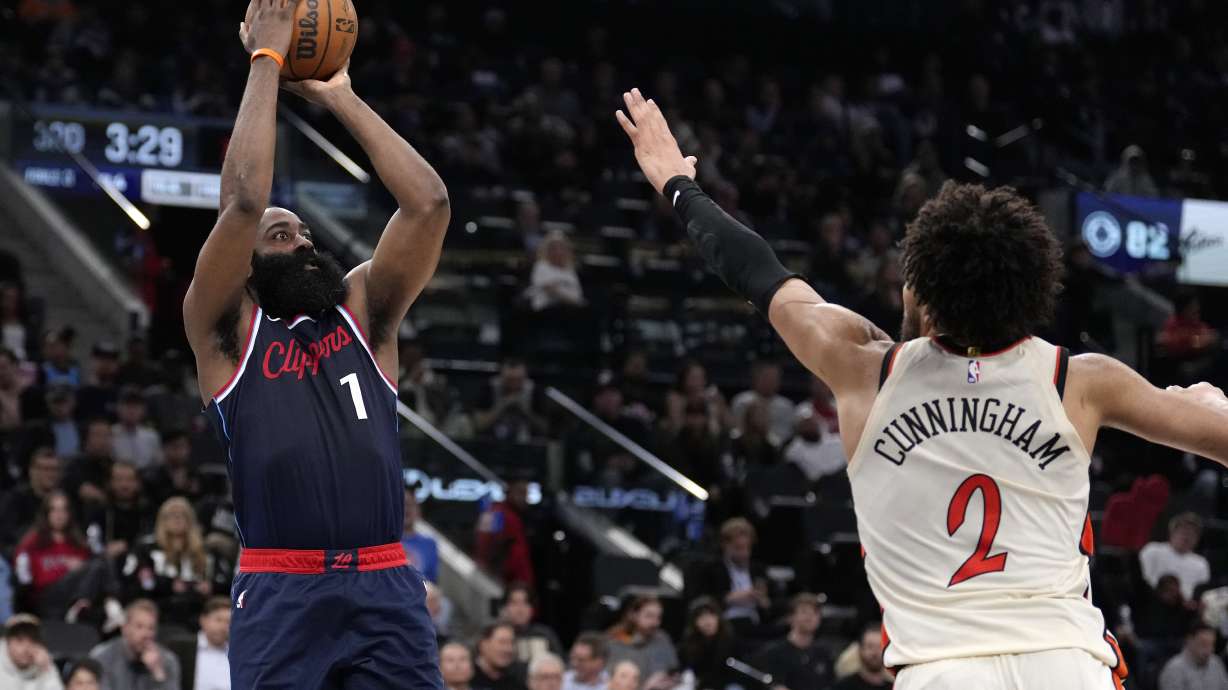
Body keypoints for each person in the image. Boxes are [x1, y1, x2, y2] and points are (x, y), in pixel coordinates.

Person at [616, 88, 1228, 688]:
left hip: (942, 670)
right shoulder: (1080, 380)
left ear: (924, 297)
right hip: (1065, 664)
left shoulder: (863, 369)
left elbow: (758, 272)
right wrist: (1208, 406)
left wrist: (679, 185)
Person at [181, 2, 450, 687]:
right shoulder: (226, 329)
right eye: (282, 236)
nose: (302, 242)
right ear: (247, 264)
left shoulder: (363, 313)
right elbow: (243, 204)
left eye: (305, 233)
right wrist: (266, 61)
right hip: (281, 589)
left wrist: (340, 96)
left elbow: (429, 204)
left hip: (384, 582)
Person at [14, 490, 119, 627]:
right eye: (54, 510)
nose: (59, 515)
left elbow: (92, 574)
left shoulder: (78, 543)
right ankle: (103, 604)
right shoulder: (32, 542)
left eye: (63, 510)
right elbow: (24, 578)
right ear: (46, 514)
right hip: (47, 598)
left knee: (103, 561)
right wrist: (69, 570)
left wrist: (80, 568)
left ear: (69, 514)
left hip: (72, 595)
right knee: (97, 564)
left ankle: (106, 603)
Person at [121, 497, 214, 627]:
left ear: (191, 521)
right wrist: (169, 585)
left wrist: (210, 587)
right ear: (162, 520)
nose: (177, 519)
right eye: (172, 515)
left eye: (182, 515)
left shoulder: (204, 552)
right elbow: (138, 581)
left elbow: (222, 582)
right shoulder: (146, 548)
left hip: (197, 612)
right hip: (159, 609)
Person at [688, 518, 769, 635]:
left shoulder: (758, 569)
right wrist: (730, 598)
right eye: (738, 548)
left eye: (748, 548)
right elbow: (700, 600)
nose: (744, 553)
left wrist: (764, 602)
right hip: (725, 622)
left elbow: (769, 602)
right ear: (725, 545)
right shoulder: (711, 569)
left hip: (755, 620)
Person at [90, 599, 180, 690]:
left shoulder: (168, 660)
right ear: (125, 628)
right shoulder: (103, 657)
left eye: (151, 628)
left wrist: (158, 673)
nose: (146, 634)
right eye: (139, 627)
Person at [749, 593, 832, 690]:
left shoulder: (824, 653)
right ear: (791, 617)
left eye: (815, 612)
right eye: (804, 611)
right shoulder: (775, 652)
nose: (810, 616)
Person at [605, 594, 678, 689]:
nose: (655, 623)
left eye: (658, 617)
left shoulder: (662, 638)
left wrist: (669, 680)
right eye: (649, 616)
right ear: (634, 615)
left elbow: (674, 669)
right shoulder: (615, 641)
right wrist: (648, 686)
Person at [0, 448, 63, 553]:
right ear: (32, 471)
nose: (51, 474)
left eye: (55, 469)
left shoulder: (63, 500)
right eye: (46, 469)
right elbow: (8, 535)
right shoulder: (15, 499)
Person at [476, 479, 536, 587]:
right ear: (510, 491)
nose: (524, 498)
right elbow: (483, 545)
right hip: (501, 579)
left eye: (526, 494)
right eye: (521, 492)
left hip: (518, 580)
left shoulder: (518, 517)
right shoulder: (495, 513)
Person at [1140, 512, 1211, 601]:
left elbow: (1201, 596)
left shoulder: (1201, 564)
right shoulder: (1152, 550)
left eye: (1192, 534)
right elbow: (1141, 580)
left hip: (1183, 606)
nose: (1187, 537)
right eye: (1184, 532)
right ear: (1172, 532)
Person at [475, 358, 547, 442]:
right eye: (510, 380)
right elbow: (479, 425)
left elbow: (545, 428)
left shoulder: (534, 390)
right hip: (491, 441)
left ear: (525, 377)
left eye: (518, 380)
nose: (514, 385)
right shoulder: (489, 388)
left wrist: (525, 411)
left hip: (527, 441)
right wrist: (502, 405)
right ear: (501, 376)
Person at [729, 359, 793, 443]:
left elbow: (786, 436)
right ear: (756, 378)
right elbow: (736, 429)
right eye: (766, 377)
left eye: (774, 378)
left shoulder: (786, 406)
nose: (770, 382)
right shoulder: (741, 401)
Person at [678, 597, 736, 690]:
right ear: (694, 623)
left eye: (711, 615)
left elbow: (732, 674)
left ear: (718, 617)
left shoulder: (730, 640)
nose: (707, 622)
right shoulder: (688, 645)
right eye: (701, 617)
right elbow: (685, 671)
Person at [500, 582, 564, 663]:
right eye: (514, 603)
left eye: (526, 603)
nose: (520, 609)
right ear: (505, 607)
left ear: (532, 608)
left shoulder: (544, 634)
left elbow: (560, 663)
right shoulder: (498, 636)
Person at [1157, 623, 1228, 690]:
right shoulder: (1174, 669)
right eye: (1203, 644)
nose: (1209, 650)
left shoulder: (1216, 662)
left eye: (1212, 645)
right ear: (1189, 640)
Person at [526, 232, 585, 311]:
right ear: (547, 250)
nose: (558, 251)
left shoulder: (570, 269)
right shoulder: (541, 266)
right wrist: (573, 301)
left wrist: (576, 301)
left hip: (570, 310)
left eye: (561, 247)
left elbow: (577, 293)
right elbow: (549, 290)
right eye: (553, 248)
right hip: (546, 311)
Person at [0, 614, 61, 690]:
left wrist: (45, 673)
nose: (27, 649)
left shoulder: (45, 663)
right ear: (7, 641)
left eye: (33, 641)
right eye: (20, 640)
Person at [110, 387, 161, 470]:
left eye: (136, 406)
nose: (132, 411)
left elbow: (157, 463)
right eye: (128, 406)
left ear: (143, 410)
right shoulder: (111, 434)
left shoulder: (151, 436)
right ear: (119, 408)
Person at [831, 623, 892, 689]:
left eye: (879, 647)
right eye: (870, 646)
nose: (875, 652)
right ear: (860, 649)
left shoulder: (895, 687)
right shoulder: (843, 686)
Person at [473, 622, 528, 690]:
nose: (508, 649)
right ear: (483, 645)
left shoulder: (517, 680)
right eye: (502, 642)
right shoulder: (467, 677)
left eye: (512, 643)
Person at [402, 487, 440, 583]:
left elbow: (433, 581)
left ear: (418, 510)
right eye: (402, 505)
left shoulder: (429, 544)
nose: (406, 509)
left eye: (409, 505)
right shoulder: (385, 542)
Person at [193, 596, 231, 690]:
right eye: (218, 620)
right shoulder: (186, 648)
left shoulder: (236, 654)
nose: (223, 627)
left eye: (228, 622)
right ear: (203, 620)